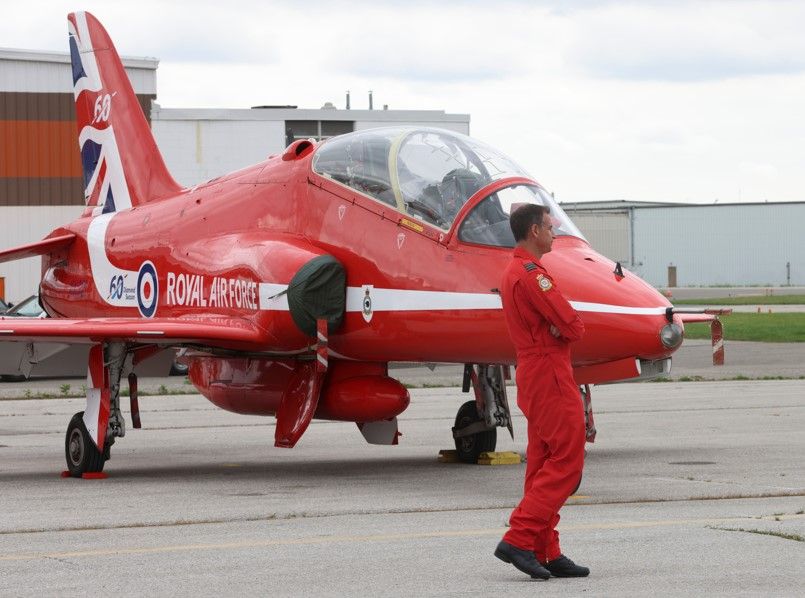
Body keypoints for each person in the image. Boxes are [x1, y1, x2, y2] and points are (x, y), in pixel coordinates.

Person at [494, 203, 589, 580]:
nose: (553, 233)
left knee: (542, 462)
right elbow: (572, 324)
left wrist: (559, 328)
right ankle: (519, 537)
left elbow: (561, 324)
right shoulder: (533, 275)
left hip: (533, 372)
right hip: (549, 372)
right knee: (568, 459)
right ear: (535, 231)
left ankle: (545, 549)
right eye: (550, 228)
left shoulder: (513, 270)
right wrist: (563, 328)